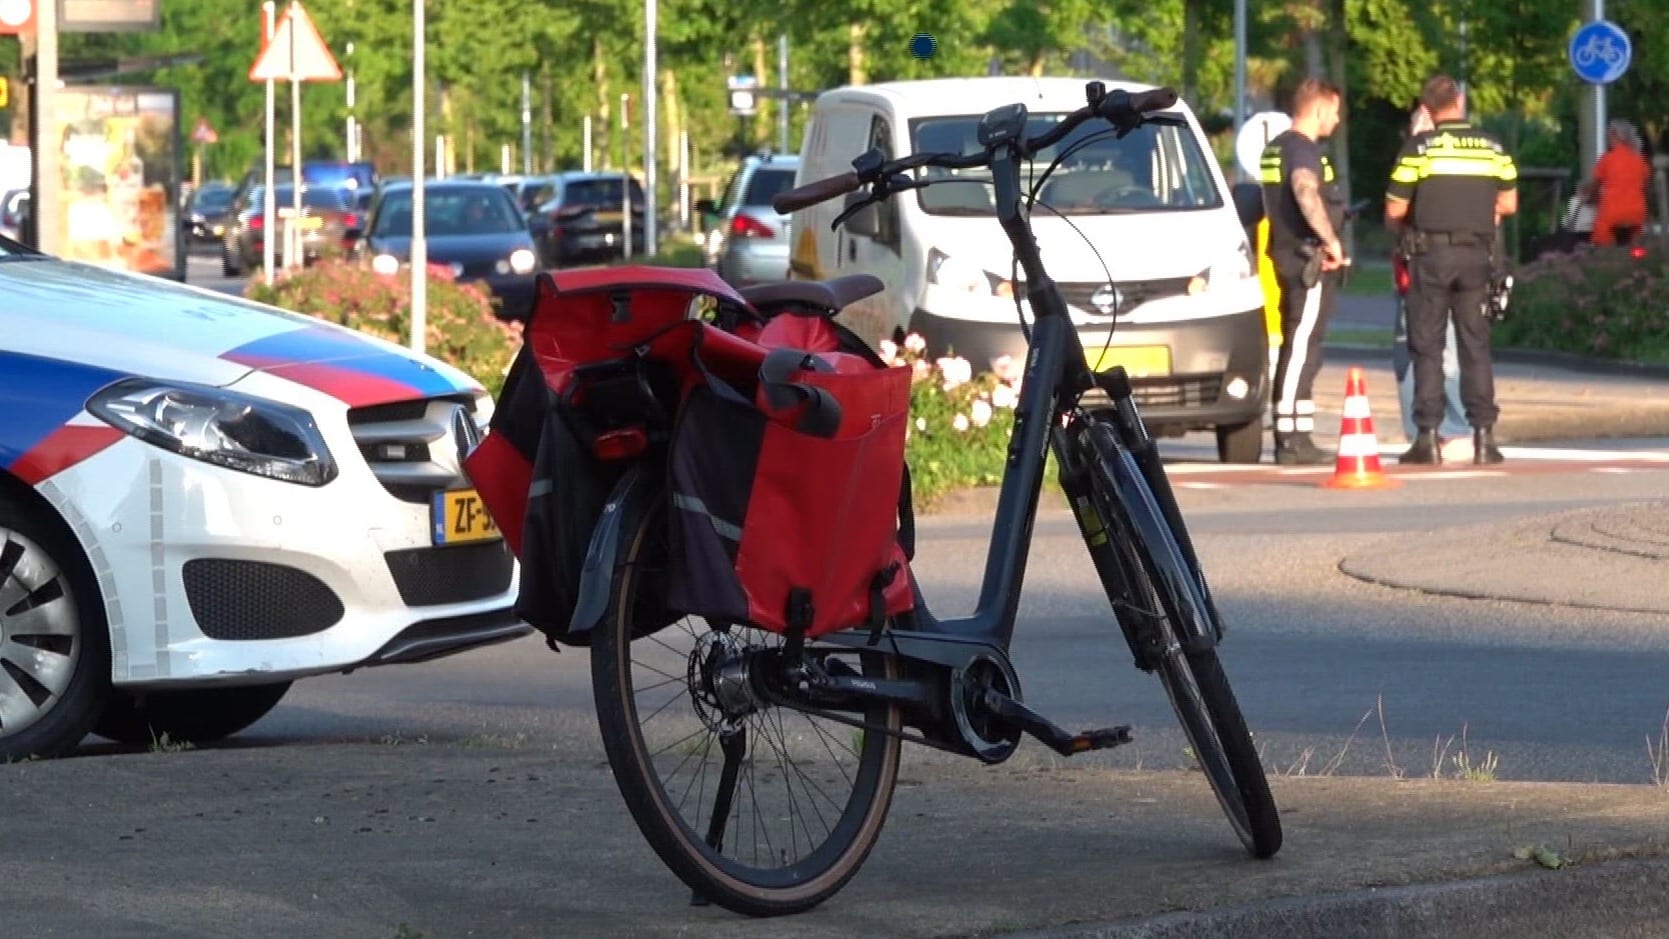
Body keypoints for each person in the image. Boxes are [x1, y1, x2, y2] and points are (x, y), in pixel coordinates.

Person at [1385, 75, 1518, 465]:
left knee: (1427, 346)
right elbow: (1508, 204)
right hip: (1478, 256)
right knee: (1475, 346)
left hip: (1431, 256)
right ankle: (1484, 437)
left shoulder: (1418, 148)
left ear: (1427, 109)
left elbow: (1394, 209)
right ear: (1459, 101)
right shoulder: (1493, 147)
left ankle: (1427, 437)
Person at [1259, 77, 1347, 464]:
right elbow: (1304, 188)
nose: (1338, 119)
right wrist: (1329, 239)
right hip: (1306, 259)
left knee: (1301, 345)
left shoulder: (1275, 148)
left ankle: (1296, 432)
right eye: (1335, 110)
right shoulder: (1301, 149)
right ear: (1319, 107)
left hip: (1286, 255)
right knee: (1301, 348)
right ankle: (1291, 439)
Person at [1391, 104, 1472, 461]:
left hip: (1427, 269)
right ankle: (1430, 429)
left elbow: (1396, 213)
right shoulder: (1416, 161)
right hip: (1418, 270)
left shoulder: (1423, 163)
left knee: (1438, 349)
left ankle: (1442, 429)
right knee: (1422, 350)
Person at [1581, 118, 1651, 248]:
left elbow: (1595, 185)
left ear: (1613, 134)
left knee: (1602, 240)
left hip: (1612, 214)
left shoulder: (1607, 159)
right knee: (1636, 246)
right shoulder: (1640, 159)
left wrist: (1589, 198)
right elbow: (1645, 187)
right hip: (1636, 213)